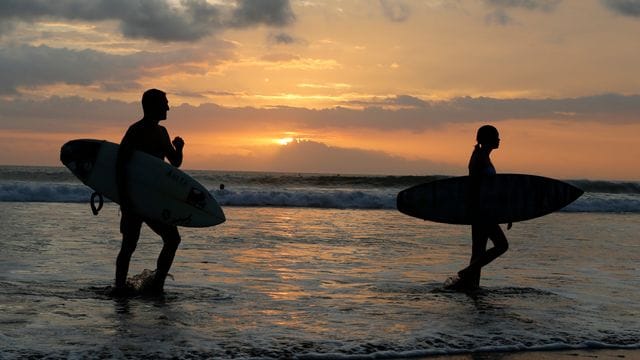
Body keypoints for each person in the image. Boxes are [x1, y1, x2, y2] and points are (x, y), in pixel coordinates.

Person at [113, 89, 184, 295]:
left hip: (150, 200)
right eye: (165, 103)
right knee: (129, 245)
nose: (168, 107)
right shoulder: (136, 131)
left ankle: (155, 285)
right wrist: (125, 199)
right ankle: (121, 288)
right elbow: (120, 165)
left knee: (170, 240)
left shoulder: (161, 132)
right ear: (153, 106)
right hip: (137, 199)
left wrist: (178, 147)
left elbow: (175, 163)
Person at [446, 125, 509, 291]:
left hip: (482, 210)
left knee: (479, 252)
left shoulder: (482, 156)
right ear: (488, 138)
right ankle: (467, 273)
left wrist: (504, 211)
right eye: (496, 136)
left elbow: (489, 189)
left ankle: (470, 286)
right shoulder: (479, 158)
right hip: (481, 211)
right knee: (502, 245)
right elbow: (476, 188)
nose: (499, 139)